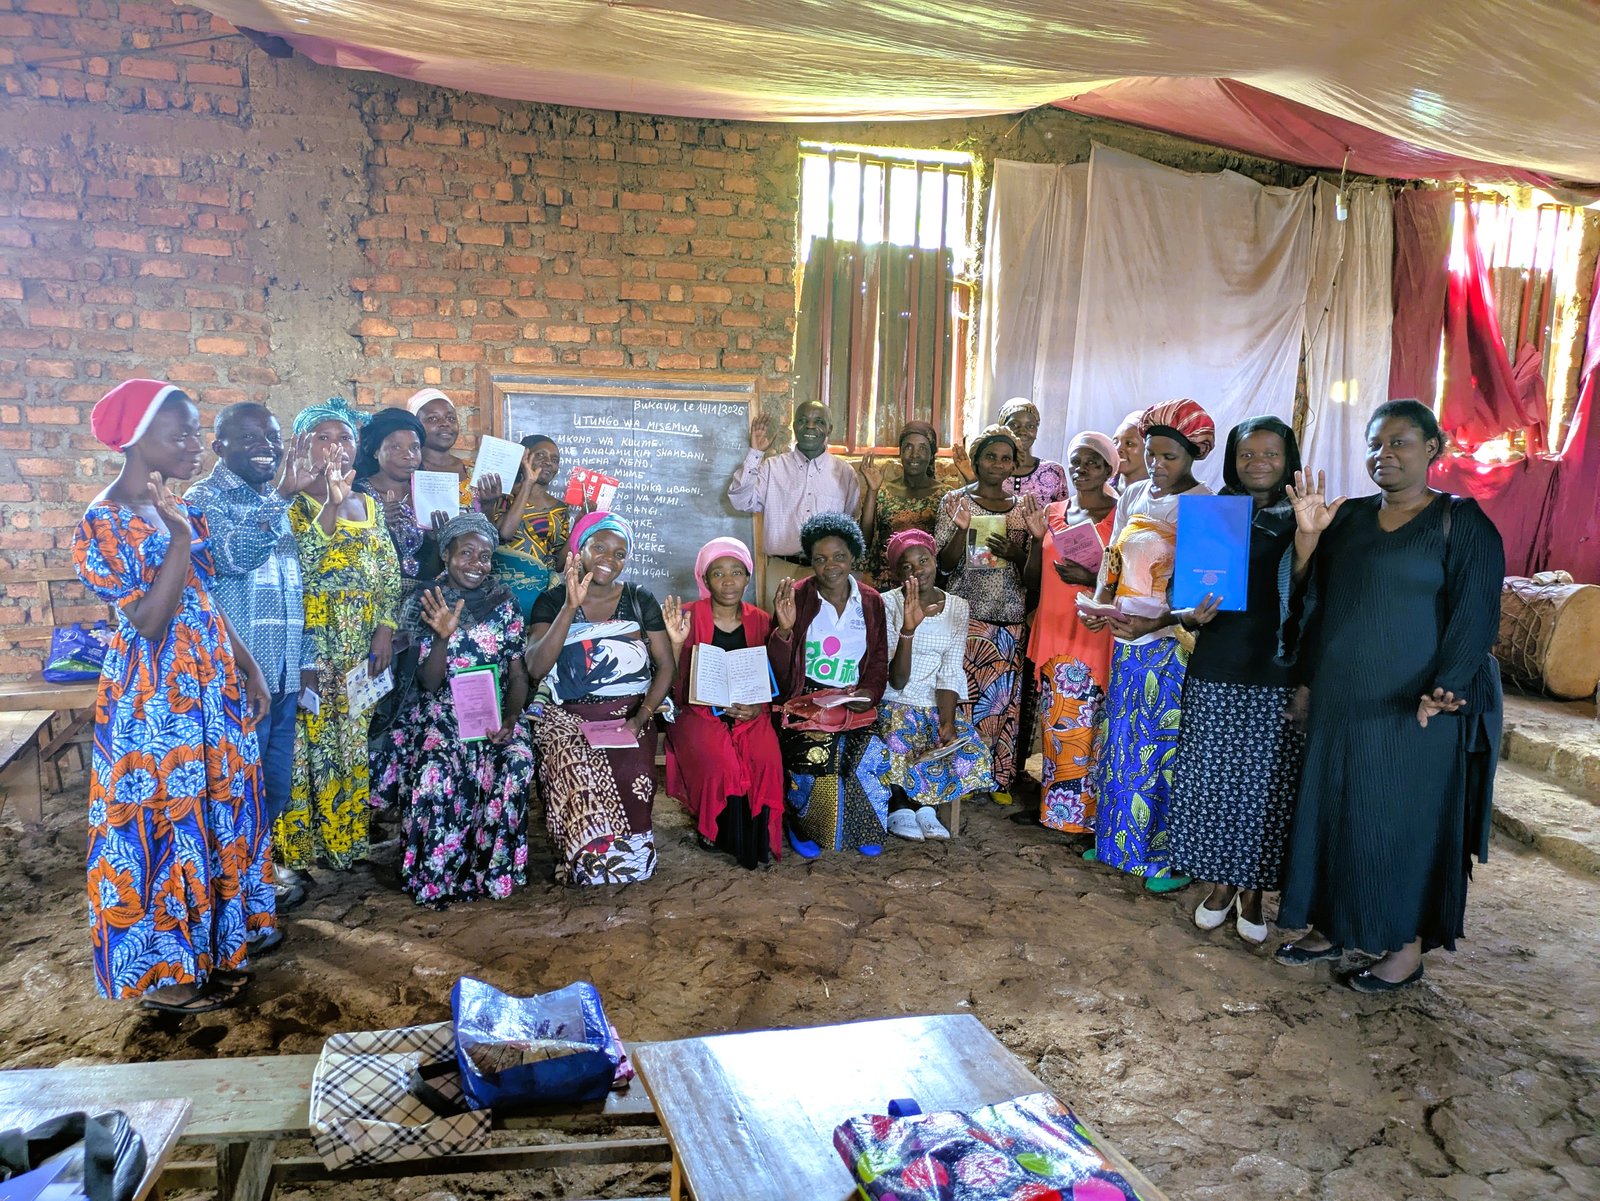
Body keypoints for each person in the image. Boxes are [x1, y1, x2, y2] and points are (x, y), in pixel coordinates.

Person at [1273, 400, 1504, 991]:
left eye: (1400, 442)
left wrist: (1446, 688)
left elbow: (1476, 617)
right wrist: (1306, 539)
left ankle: (1404, 951)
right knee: (1335, 808)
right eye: (1376, 444)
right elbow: (1312, 601)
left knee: (1402, 822)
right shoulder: (1346, 518)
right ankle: (1331, 926)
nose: (1385, 455)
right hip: (1342, 698)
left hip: (1417, 706)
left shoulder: (1462, 522)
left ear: (1434, 448)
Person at [74, 379, 276, 1012]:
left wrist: (250, 666)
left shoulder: (176, 505)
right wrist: (181, 539)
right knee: (163, 821)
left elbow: (201, 598)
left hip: (209, 683)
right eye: (181, 434)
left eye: (195, 431)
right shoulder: (102, 520)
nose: (195, 445)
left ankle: (208, 950)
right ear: (136, 441)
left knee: (215, 811)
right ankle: (164, 978)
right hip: (154, 702)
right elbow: (149, 621)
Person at [1169, 417, 1306, 944]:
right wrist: (1187, 614)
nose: (1258, 464)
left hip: (1275, 667)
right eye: (1247, 454)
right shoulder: (1214, 513)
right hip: (1218, 663)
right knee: (1215, 782)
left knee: (1264, 787)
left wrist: (1310, 534)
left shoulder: (1302, 515)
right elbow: (1181, 596)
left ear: (1287, 457)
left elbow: (1309, 591)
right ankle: (1223, 885)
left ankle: (1253, 892)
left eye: (1270, 453)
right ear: (1232, 459)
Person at [185, 402, 318, 912]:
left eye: (272, 435)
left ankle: (256, 872)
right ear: (219, 447)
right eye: (250, 438)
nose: (266, 446)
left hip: (282, 672)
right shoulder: (205, 499)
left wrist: (304, 658)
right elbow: (231, 557)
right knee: (237, 789)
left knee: (274, 786)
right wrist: (282, 498)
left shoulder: (273, 500)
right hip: (238, 676)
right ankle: (235, 887)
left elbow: (293, 586)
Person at [1082, 399, 1218, 892]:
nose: (1157, 465)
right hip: (1126, 638)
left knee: (1160, 748)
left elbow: (1204, 593)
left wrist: (1152, 624)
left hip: (1170, 645)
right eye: (1151, 453)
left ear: (1194, 456)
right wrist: (1099, 606)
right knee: (1121, 738)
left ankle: (1159, 857)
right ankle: (1117, 838)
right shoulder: (1133, 494)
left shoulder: (1207, 505)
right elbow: (1112, 560)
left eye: (1170, 457)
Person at [372, 513, 534, 907]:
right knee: (437, 769)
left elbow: (517, 674)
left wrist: (511, 719)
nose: (476, 563)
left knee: (516, 760)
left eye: (485, 556)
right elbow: (428, 683)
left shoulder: (504, 602)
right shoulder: (427, 600)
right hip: (443, 706)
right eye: (466, 553)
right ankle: (437, 874)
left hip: (494, 706)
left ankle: (492, 870)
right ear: (446, 553)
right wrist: (442, 637)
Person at [280, 398, 402, 873]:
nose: (336, 447)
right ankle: (296, 855)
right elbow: (302, 569)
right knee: (306, 748)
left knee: (350, 743)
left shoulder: (367, 501)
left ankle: (343, 845)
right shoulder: (287, 503)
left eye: (345, 437)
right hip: (309, 641)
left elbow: (388, 573)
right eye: (323, 437)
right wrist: (330, 507)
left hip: (358, 643)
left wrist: (385, 630)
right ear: (303, 445)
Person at [525, 513, 679, 885]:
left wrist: (640, 718)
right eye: (599, 547)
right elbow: (535, 666)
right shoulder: (551, 600)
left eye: (620, 553)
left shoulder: (639, 599)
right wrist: (568, 607)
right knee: (565, 755)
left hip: (631, 712)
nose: (609, 558)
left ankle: (633, 861)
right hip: (569, 716)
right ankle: (582, 862)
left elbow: (666, 666)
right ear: (580, 548)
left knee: (633, 778)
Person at [768, 513, 891, 857]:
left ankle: (865, 827)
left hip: (853, 698)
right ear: (810, 562)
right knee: (818, 755)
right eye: (820, 559)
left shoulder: (870, 601)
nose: (830, 566)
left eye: (839, 556)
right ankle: (802, 824)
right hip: (806, 698)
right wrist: (784, 631)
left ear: (853, 557)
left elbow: (879, 660)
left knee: (867, 756)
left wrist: (867, 695)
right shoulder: (796, 596)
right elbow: (777, 670)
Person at [934, 426, 1042, 801]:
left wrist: (1024, 548)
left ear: (1014, 465)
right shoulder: (956, 502)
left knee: (1001, 702)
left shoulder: (1025, 508)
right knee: (963, 699)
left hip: (1009, 617)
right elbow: (942, 568)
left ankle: (997, 777)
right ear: (976, 460)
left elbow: (1034, 578)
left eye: (1006, 458)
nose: (998, 464)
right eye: (990, 456)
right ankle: (962, 776)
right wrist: (963, 532)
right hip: (966, 616)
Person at [664, 537, 785, 869]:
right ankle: (716, 831)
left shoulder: (761, 620)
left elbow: (772, 677)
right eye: (718, 573)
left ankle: (756, 838)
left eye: (737, 572)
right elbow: (667, 680)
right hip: (697, 711)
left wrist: (758, 708)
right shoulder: (686, 616)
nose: (728, 581)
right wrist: (674, 644)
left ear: (747, 577)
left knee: (765, 756)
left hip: (751, 711)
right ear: (704, 579)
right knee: (721, 762)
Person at [1026, 431, 1120, 834]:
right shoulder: (1053, 512)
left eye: (1093, 462)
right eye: (1076, 461)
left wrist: (1090, 575)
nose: (1082, 469)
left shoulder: (1121, 514)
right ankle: (1057, 812)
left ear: (1109, 470)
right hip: (1053, 628)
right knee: (1055, 723)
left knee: (1087, 726)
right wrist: (1034, 540)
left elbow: (1129, 578)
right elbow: (1034, 576)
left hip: (1092, 630)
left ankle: (1083, 820)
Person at [878, 530, 995, 841]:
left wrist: (946, 722)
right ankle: (901, 807)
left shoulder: (957, 607)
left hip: (934, 703)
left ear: (934, 561)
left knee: (967, 750)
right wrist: (908, 629)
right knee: (898, 740)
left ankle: (925, 807)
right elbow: (896, 679)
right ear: (897, 573)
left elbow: (950, 670)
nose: (918, 570)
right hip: (895, 701)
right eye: (907, 566)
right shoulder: (887, 604)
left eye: (924, 560)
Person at [728, 400, 861, 608]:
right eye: (802, 421)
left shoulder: (844, 473)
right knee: (782, 635)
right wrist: (756, 453)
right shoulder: (772, 467)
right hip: (782, 570)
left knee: (824, 636)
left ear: (829, 429)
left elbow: (851, 524)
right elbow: (740, 501)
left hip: (830, 573)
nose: (810, 426)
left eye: (818, 421)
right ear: (794, 426)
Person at [352, 406, 444, 612]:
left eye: (415, 448)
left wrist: (439, 539)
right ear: (376, 451)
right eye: (396, 448)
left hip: (424, 606)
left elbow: (440, 564)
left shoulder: (431, 493)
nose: (409, 456)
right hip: (372, 603)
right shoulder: (356, 492)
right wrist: (377, 523)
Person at [857, 420, 952, 588]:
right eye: (908, 447)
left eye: (923, 448)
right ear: (900, 452)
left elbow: (949, 550)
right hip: (887, 584)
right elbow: (865, 539)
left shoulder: (945, 495)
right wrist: (872, 491)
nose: (915, 454)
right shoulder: (883, 490)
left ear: (931, 455)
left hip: (928, 584)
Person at [493, 434, 573, 613]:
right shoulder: (503, 495)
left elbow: (559, 565)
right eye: (541, 455)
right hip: (502, 596)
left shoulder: (560, 509)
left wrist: (581, 522)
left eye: (554, 460)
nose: (548, 463)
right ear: (524, 457)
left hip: (541, 599)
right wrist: (528, 482)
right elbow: (505, 533)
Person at [997, 398, 1069, 506]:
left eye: (1030, 426)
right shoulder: (991, 470)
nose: (1022, 432)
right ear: (1002, 428)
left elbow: (1062, 517)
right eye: (1014, 425)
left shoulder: (1053, 471)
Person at [1112, 410, 1149, 490]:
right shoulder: (1101, 493)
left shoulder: (1164, 497)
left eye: (1129, 443)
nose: (1118, 449)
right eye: (1115, 442)